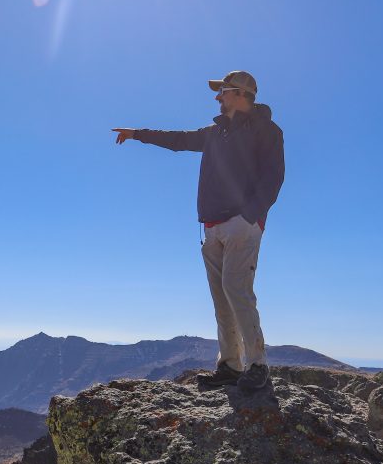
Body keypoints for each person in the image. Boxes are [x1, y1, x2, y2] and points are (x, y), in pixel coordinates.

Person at [112, 71, 285, 391]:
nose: (218, 97)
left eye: (223, 92)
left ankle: (258, 365)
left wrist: (250, 216)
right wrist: (137, 133)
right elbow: (177, 140)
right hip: (212, 225)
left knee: (237, 291)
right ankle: (231, 366)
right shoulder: (214, 133)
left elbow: (273, 178)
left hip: (241, 225)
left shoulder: (267, 131)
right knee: (222, 298)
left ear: (241, 94)